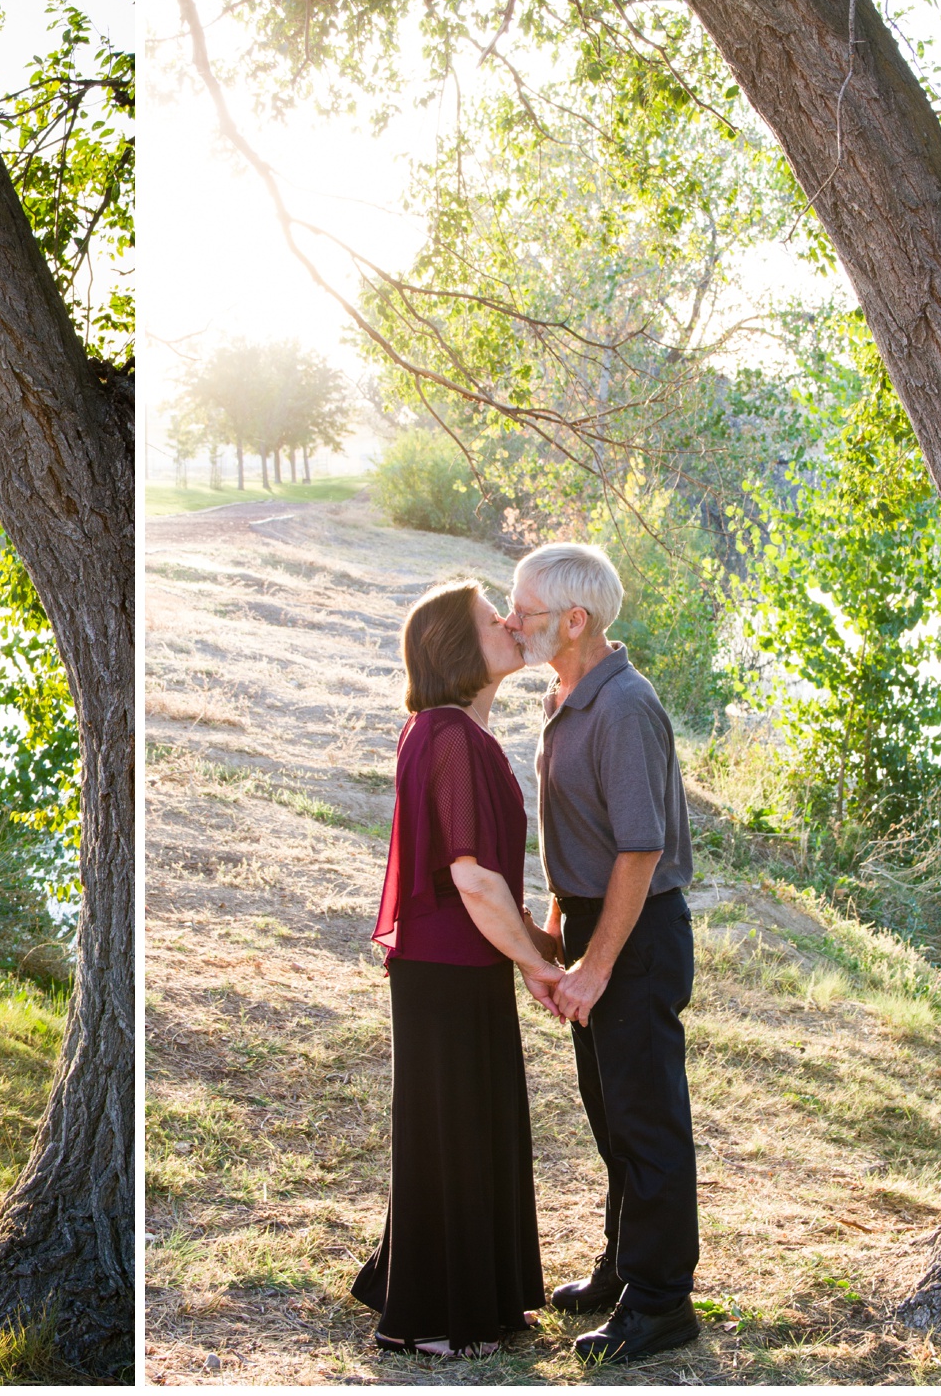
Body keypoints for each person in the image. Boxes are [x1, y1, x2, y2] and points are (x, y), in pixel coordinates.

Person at [352, 579, 569, 1359]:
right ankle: (436, 1316)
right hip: (446, 969)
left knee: (469, 1126)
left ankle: (475, 1294)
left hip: (456, 966)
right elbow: (473, 879)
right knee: (455, 1128)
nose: (510, 623)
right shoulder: (447, 734)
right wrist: (537, 966)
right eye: (491, 618)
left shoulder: (446, 730)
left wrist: (534, 950)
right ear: (456, 648)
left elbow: (488, 883)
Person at [507, 542, 701, 1364]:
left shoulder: (624, 706)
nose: (511, 620)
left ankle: (661, 1304)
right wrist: (559, 929)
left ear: (574, 619)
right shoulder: (567, 692)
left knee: (647, 1121)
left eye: (524, 608)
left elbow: (639, 851)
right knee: (611, 1116)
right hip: (594, 921)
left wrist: (597, 963)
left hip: (638, 932)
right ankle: (624, 1269)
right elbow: (584, 835)